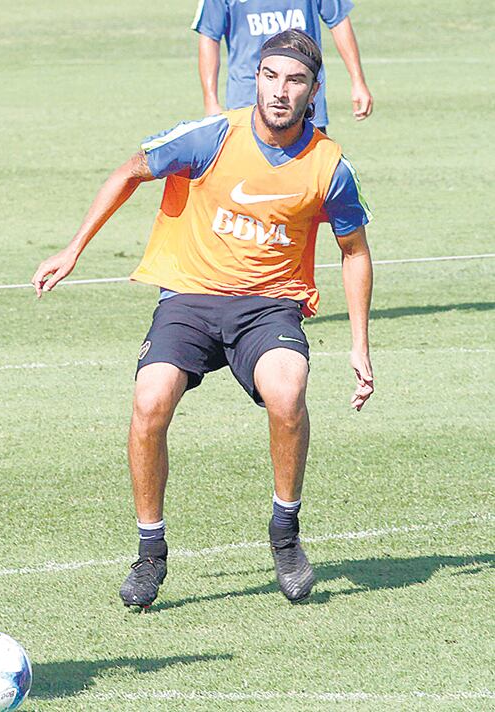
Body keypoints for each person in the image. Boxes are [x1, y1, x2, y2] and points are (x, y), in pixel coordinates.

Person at [32, 30, 373, 608]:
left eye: (294, 81)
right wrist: (72, 249)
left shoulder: (329, 166)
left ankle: (285, 536)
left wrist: (360, 345)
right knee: (149, 399)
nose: (279, 91)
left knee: (288, 392)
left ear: (314, 90)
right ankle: (150, 552)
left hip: (269, 305)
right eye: (270, 76)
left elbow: (355, 252)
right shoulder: (213, 136)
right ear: (255, 79)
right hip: (189, 298)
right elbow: (129, 171)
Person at [192, 0, 373, 130]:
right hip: (247, 100)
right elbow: (209, 35)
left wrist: (358, 81)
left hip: (303, 101)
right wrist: (211, 101)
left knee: (310, 177)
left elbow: (338, 20)